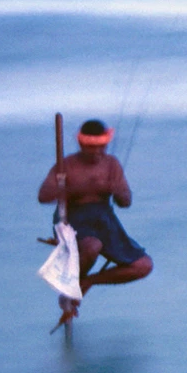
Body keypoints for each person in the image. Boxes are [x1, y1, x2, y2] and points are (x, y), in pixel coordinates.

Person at [37, 121, 153, 314]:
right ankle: (69, 288)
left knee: (143, 266)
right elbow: (43, 196)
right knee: (92, 245)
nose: (96, 152)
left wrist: (117, 190)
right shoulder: (66, 165)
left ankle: (87, 281)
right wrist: (71, 188)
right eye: (91, 147)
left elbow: (126, 202)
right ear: (81, 145)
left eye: (101, 147)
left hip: (104, 219)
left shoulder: (111, 165)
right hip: (74, 218)